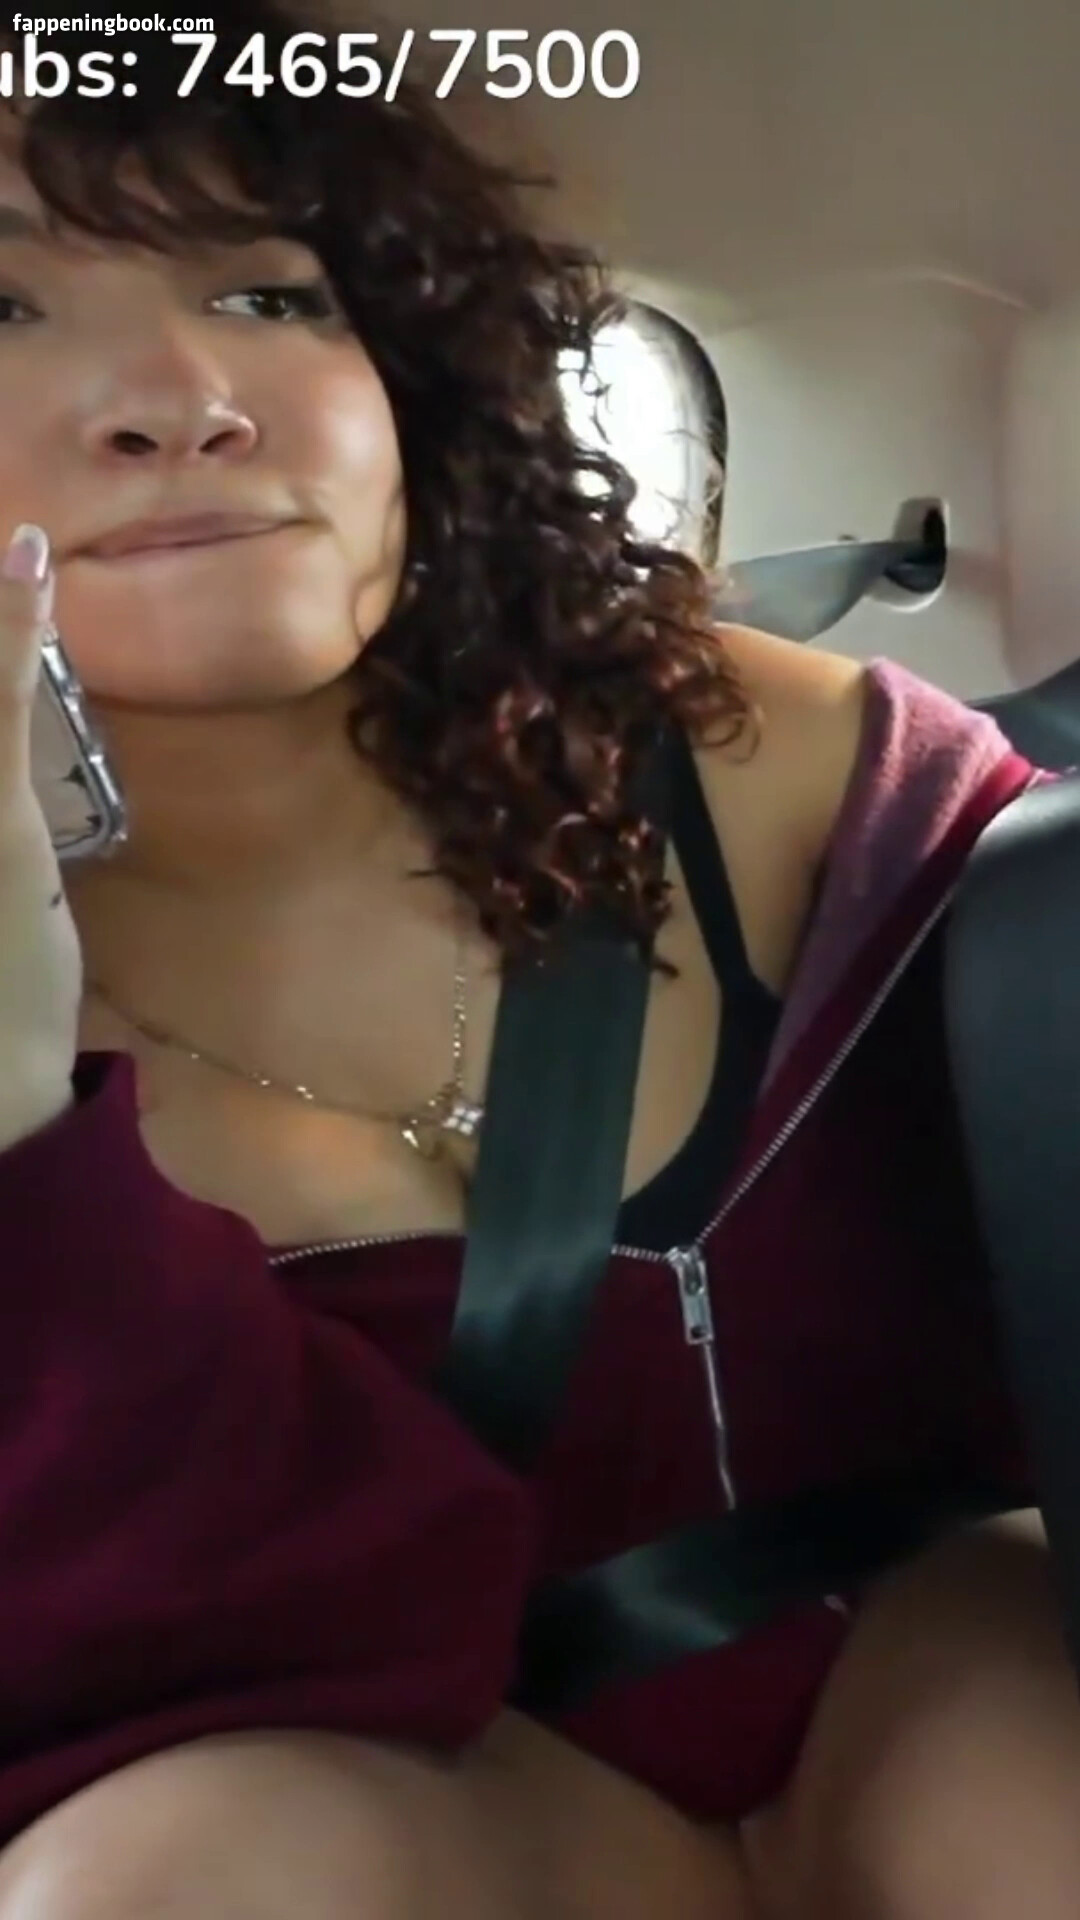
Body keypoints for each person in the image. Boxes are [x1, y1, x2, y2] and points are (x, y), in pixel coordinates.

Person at [0, 7, 1078, 1917]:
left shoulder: (784, 772)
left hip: (917, 1679)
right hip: (381, 1786)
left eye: (269, 294)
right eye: (4, 315)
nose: (179, 396)